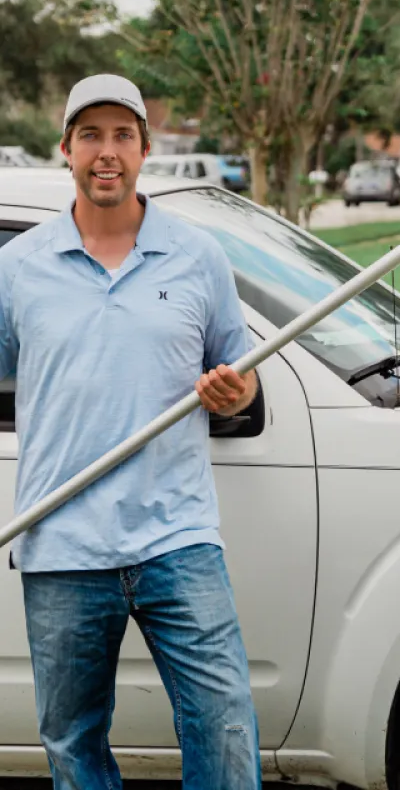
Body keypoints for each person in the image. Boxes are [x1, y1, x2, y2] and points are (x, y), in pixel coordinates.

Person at [0, 74, 262, 789]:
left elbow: (244, 371)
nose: (106, 151)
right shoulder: (18, 266)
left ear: (145, 149)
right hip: (61, 542)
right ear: (66, 149)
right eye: (91, 135)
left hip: (176, 536)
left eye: (122, 135)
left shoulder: (197, 254)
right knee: (73, 741)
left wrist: (235, 388)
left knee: (225, 721)